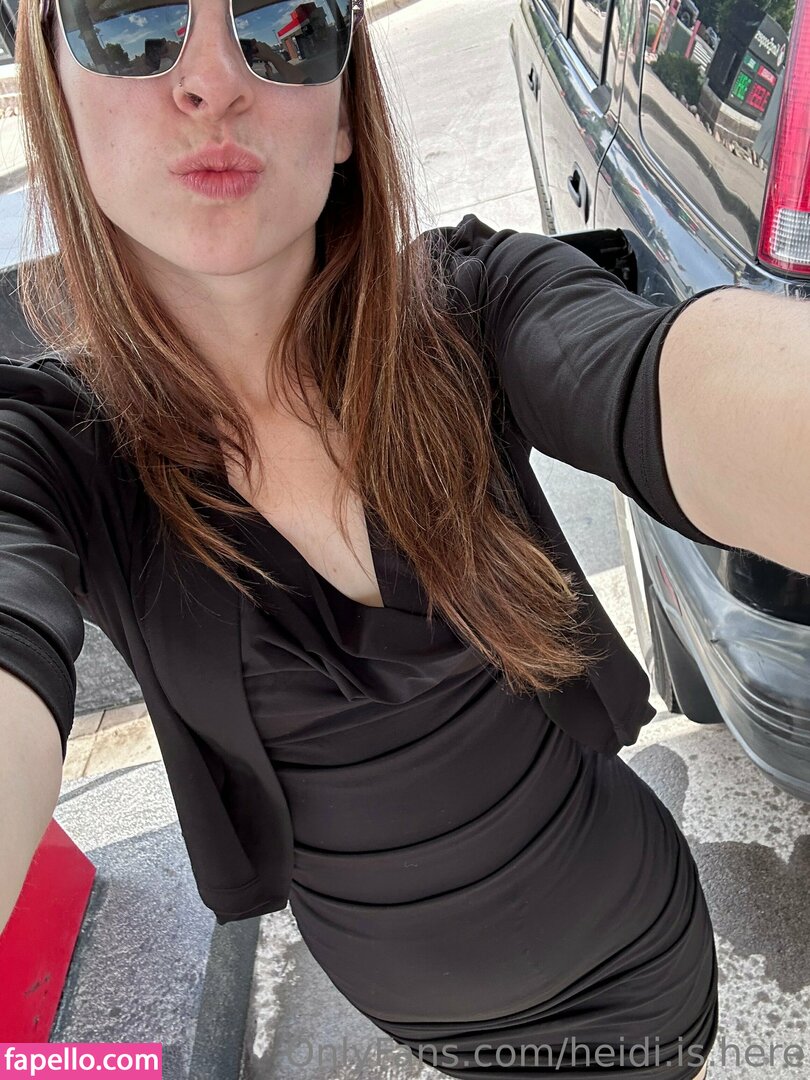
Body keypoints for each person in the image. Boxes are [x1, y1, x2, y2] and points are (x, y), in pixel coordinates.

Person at [2, 0, 807, 1075]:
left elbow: (677, 382)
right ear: (56, 96)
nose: (213, 79)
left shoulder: (473, 310)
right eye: (131, 17)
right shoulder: (53, 456)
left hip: (638, 972)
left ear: (342, 116)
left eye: (279, 19)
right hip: (443, 1037)